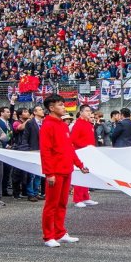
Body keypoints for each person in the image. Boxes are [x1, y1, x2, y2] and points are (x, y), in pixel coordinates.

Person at [39, 94, 89, 247]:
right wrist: (49, 173)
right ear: (51, 108)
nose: (63, 107)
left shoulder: (62, 124)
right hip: (55, 171)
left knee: (62, 204)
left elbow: (69, 148)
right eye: (60, 104)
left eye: (63, 104)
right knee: (51, 205)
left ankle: (60, 233)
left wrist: (80, 164)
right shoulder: (48, 125)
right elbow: (45, 151)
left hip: (66, 169)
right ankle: (49, 236)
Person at [70, 105, 99, 208]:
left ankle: (85, 197)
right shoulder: (78, 124)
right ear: (81, 112)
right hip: (81, 152)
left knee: (87, 174)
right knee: (80, 175)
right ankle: (77, 199)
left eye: (89, 111)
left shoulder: (89, 124)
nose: (89, 113)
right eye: (86, 111)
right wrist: (85, 146)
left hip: (88, 152)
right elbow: (73, 139)